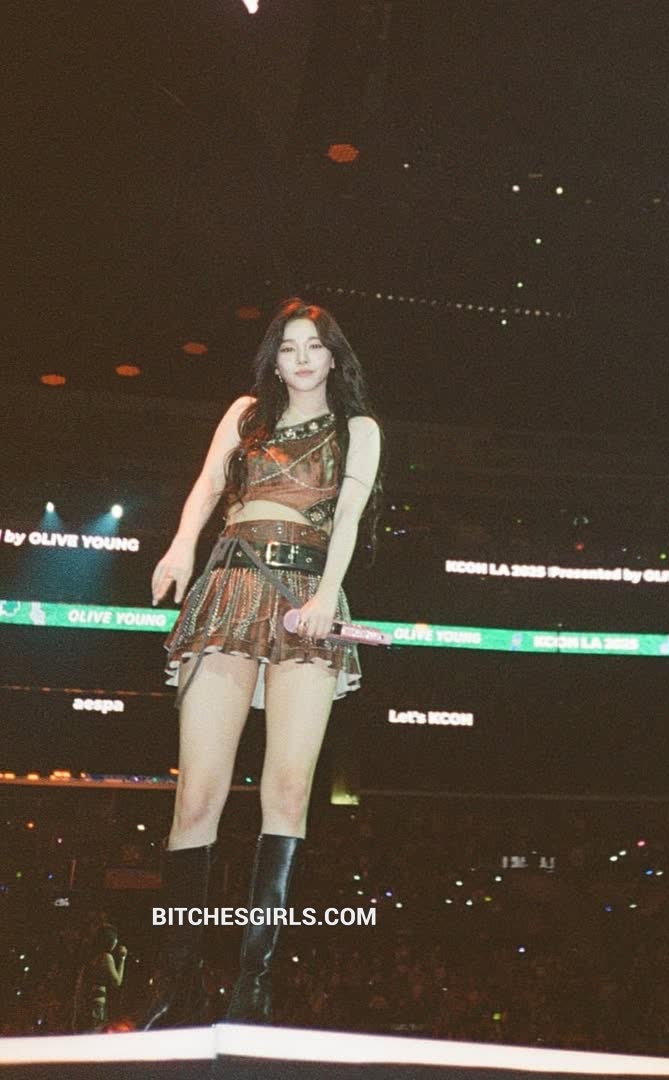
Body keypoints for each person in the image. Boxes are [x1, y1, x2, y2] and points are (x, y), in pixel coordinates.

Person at [141, 297, 384, 1028]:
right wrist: (180, 548)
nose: (301, 359)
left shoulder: (358, 428)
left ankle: (255, 983)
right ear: (274, 360)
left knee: (287, 789)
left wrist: (328, 597)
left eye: (314, 346)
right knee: (196, 795)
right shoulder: (246, 413)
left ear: (334, 356)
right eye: (288, 347)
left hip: (306, 594)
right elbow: (209, 485)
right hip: (229, 586)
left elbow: (349, 517)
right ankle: (178, 985)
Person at [73, 925, 126, 1033]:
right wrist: (122, 959)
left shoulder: (90, 956)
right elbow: (117, 982)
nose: (116, 942)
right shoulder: (105, 957)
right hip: (96, 1007)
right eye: (115, 939)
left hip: (84, 1005)